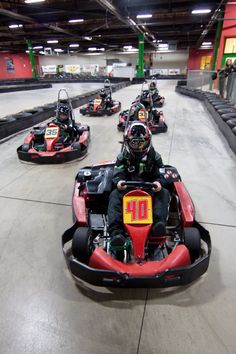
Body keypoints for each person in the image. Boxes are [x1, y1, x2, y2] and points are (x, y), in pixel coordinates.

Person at [108, 122, 170, 254]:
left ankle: (157, 226)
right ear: (128, 142)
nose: (138, 147)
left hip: (149, 190)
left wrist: (159, 182)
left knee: (164, 193)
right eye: (134, 143)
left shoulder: (155, 156)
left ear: (147, 141)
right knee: (114, 195)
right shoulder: (123, 157)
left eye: (141, 143)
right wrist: (119, 182)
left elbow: (161, 174)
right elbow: (117, 174)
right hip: (127, 191)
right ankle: (117, 234)